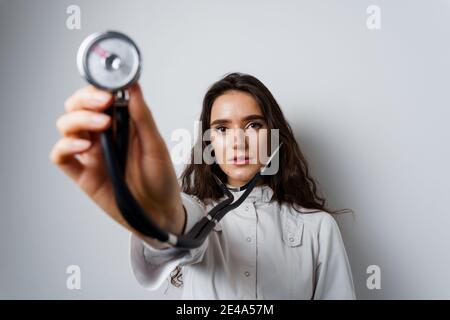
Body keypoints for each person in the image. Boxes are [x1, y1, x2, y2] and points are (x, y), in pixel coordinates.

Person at [50, 72, 356, 299]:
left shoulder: (318, 228)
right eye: (222, 128)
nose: (238, 141)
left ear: (274, 136)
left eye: (254, 125)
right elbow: (178, 225)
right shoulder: (197, 213)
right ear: (209, 143)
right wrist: (152, 212)